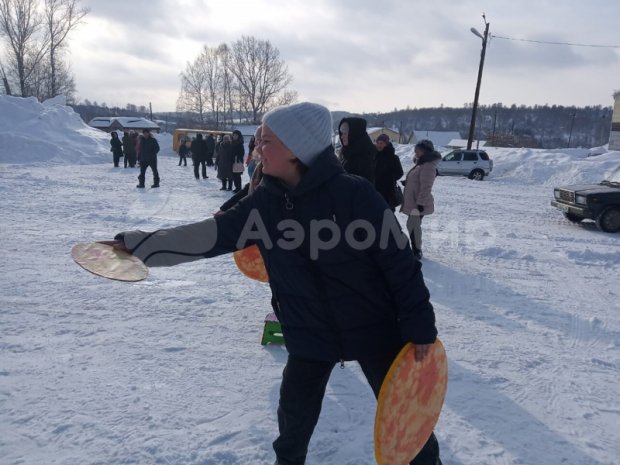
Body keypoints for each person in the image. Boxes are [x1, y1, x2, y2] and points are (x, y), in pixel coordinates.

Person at [107, 102, 442, 465]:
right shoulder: (264, 203)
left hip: (375, 329)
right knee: (293, 424)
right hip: (308, 332)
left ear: (296, 150)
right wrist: (142, 244)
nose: (256, 149)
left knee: (410, 424)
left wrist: (420, 327)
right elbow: (209, 236)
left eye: (266, 141)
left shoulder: (355, 195)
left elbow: (400, 266)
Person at [401, 139, 441, 259]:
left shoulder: (428, 166)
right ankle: (416, 248)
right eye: (416, 150)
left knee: (413, 225)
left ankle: (417, 250)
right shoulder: (421, 163)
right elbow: (418, 180)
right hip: (414, 201)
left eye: (418, 150)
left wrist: (420, 203)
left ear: (426, 151)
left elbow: (426, 187)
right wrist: (408, 183)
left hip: (418, 203)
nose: (415, 152)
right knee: (412, 225)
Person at [338, 117, 376, 183]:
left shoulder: (365, 158)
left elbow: (364, 189)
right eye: (341, 133)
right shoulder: (347, 152)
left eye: (345, 133)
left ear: (354, 134)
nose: (341, 136)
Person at [374, 134, 404, 211]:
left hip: (388, 192)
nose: (379, 145)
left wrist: (389, 178)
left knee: (387, 213)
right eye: (378, 143)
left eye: (382, 143)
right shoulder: (374, 155)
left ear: (386, 144)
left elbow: (400, 172)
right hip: (375, 189)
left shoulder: (393, 158)